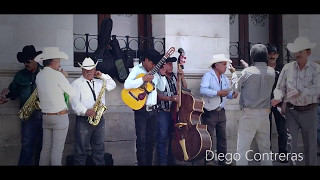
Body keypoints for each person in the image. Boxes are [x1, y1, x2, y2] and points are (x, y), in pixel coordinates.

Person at [271, 37, 320, 165]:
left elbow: (317, 88)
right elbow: (280, 87)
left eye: (300, 51)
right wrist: (277, 97)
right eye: (295, 52)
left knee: (310, 145)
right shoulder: (287, 68)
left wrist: (301, 92)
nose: (297, 54)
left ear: (308, 53)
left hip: (310, 110)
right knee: (290, 145)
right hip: (291, 110)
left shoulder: (316, 69)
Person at [231, 44, 275, 166]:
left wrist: (234, 74)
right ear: (266, 56)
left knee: (243, 148)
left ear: (252, 56)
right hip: (265, 114)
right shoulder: (271, 72)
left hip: (249, 114)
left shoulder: (247, 72)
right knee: (265, 149)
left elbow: (236, 87)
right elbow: (258, 74)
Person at [0, 45, 43, 165]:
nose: (26, 64)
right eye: (24, 62)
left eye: (28, 61)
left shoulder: (45, 72)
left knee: (43, 146)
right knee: (27, 145)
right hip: (27, 115)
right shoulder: (20, 75)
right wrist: (6, 93)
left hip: (44, 115)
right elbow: (13, 91)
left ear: (35, 59)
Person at [123, 48, 167, 166]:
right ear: (146, 60)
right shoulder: (137, 70)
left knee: (151, 141)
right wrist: (143, 79)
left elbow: (162, 88)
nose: (153, 66)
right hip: (141, 111)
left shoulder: (155, 71)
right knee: (141, 141)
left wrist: (162, 75)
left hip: (153, 110)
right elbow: (127, 84)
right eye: (152, 63)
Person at [70, 57, 116, 166]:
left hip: (99, 119)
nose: (89, 71)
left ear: (95, 69)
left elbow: (112, 85)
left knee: (99, 149)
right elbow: (74, 103)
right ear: (82, 70)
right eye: (86, 69)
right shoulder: (76, 84)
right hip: (84, 119)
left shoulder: (100, 81)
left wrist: (102, 76)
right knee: (80, 151)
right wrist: (85, 111)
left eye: (92, 69)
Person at [35, 47, 75, 166]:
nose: (59, 64)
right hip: (59, 116)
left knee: (45, 149)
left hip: (46, 116)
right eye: (58, 61)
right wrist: (64, 77)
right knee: (57, 151)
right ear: (53, 62)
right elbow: (71, 93)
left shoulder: (39, 75)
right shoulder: (58, 75)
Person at [200, 54, 238, 166]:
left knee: (222, 137)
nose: (226, 67)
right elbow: (203, 90)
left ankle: (223, 160)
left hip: (221, 110)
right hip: (210, 110)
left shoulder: (225, 78)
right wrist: (217, 93)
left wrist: (232, 95)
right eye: (224, 64)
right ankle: (209, 160)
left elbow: (227, 94)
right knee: (209, 137)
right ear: (216, 65)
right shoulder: (208, 76)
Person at [156, 56, 187, 166]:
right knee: (162, 136)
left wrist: (182, 77)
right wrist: (171, 98)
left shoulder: (175, 77)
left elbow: (185, 89)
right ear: (163, 65)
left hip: (175, 112)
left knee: (173, 136)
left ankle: (171, 160)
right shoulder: (158, 77)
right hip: (163, 111)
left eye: (172, 64)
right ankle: (162, 162)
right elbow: (157, 95)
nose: (171, 66)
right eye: (169, 64)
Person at [266, 45, 289, 162]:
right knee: (266, 129)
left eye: (274, 53)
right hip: (266, 102)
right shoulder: (262, 68)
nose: (272, 55)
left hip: (279, 102)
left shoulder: (283, 68)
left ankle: (283, 154)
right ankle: (268, 153)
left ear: (278, 55)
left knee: (282, 129)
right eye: (270, 53)